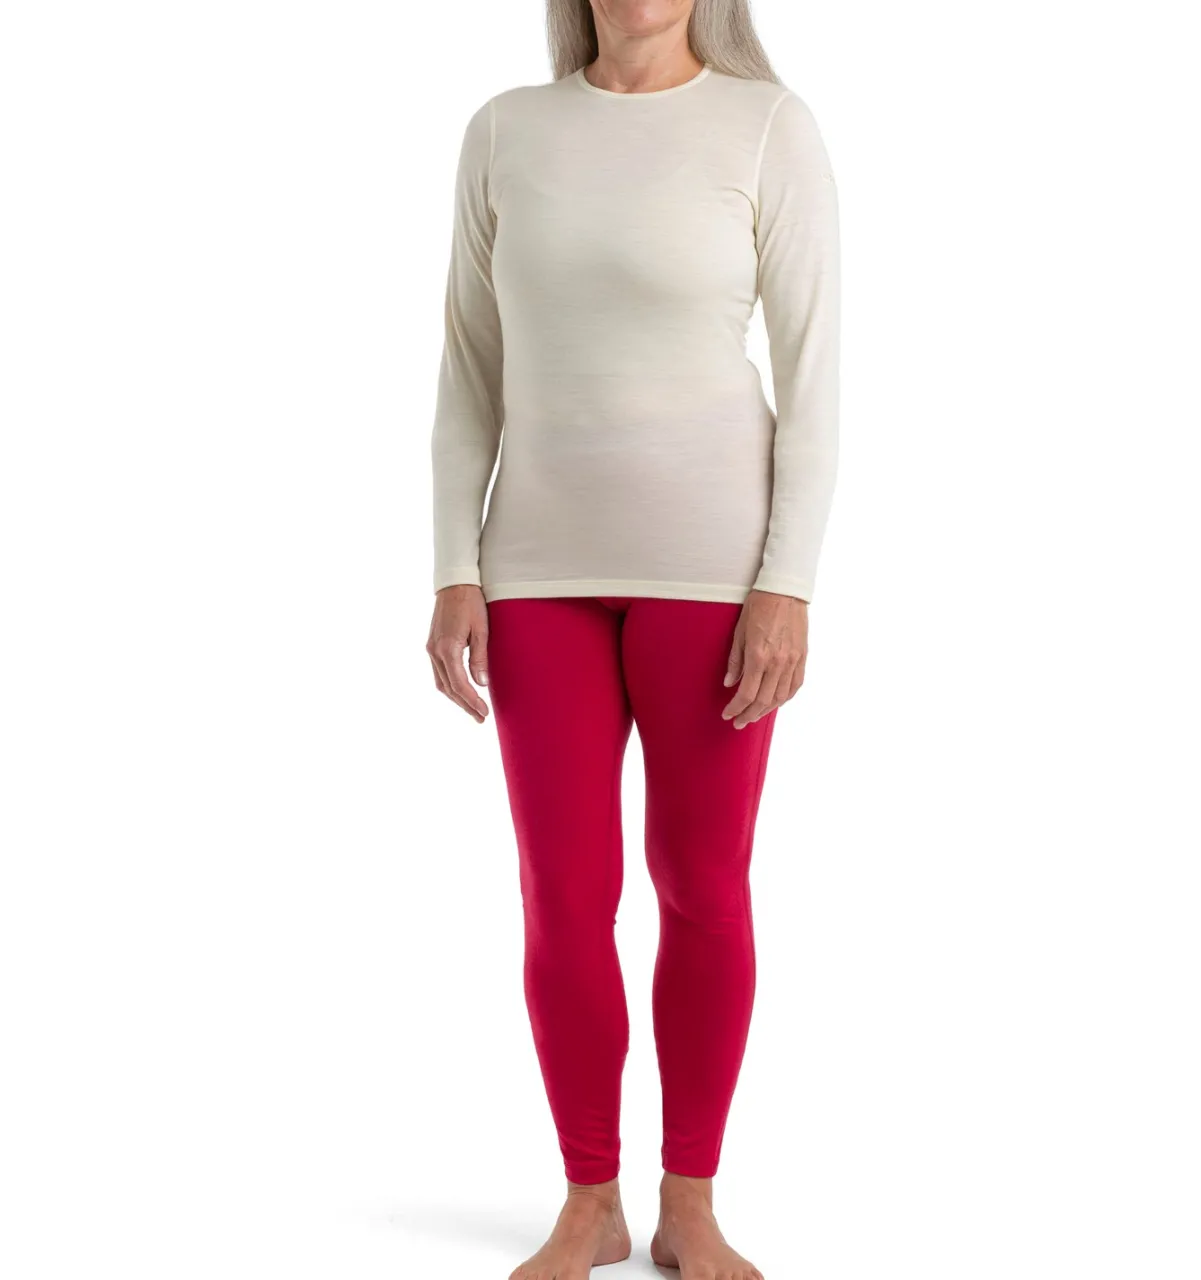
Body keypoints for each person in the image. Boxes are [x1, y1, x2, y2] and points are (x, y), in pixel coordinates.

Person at [426, 1, 839, 1276]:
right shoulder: (505, 132)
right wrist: (453, 567)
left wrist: (786, 583)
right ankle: (589, 1196)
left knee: (702, 886)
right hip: (537, 572)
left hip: (711, 574)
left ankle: (691, 1199)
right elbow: (467, 368)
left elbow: (814, 378)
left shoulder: (767, 128)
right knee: (562, 895)